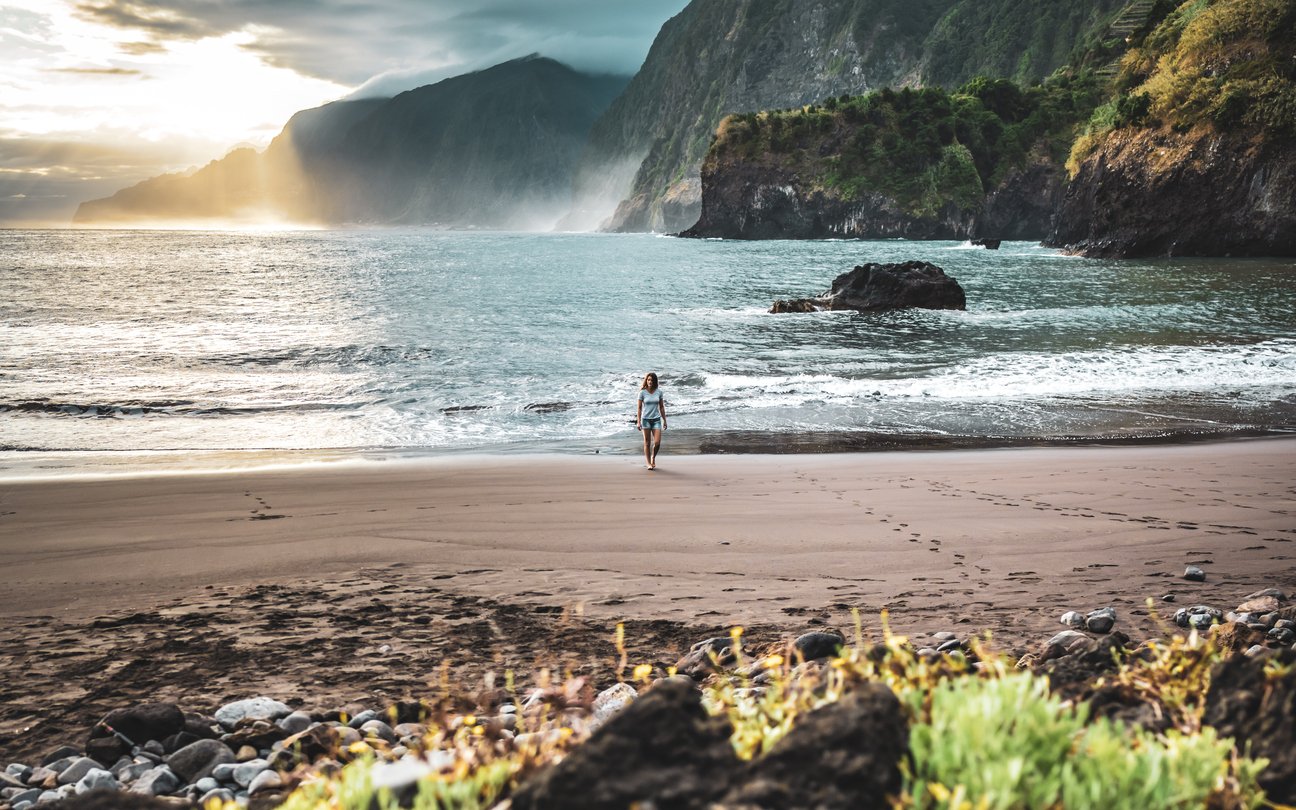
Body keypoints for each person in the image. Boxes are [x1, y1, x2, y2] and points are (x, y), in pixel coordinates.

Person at [636, 372, 667, 469]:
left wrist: (665, 420)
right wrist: (638, 422)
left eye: (652, 380)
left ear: (655, 381)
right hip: (645, 420)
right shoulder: (642, 392)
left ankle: (653, 457)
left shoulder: (659, 392)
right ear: (646, 380)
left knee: (657, 443)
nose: (650, 382)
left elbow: (661, 407)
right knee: (647, 443)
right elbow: (639, 408)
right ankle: (649, 463)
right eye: (648, 380)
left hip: (656, 420)